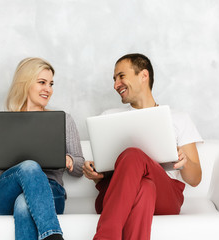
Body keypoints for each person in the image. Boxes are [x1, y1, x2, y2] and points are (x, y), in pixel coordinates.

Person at [83, 53, 203, 240]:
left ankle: (106, 235)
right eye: (114, 79)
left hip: (166, 197)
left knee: (133, 155)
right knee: (145, 188)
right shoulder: (108, 116)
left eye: (121, 76)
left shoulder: (178, 118)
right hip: (115, 195)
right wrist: (94, 174)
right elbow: (102, 179)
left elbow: (195, 179)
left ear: (143, 76)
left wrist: (184, 162)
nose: (116, 85)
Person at [0, 57, 84, 240]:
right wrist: (8, 157)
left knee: (24, 203)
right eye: (42, 82)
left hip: (50, 193)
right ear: (25, 84)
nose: (48, 89)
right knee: (29, 166)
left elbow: (80, 168)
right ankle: (54, 236)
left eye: (51, 84)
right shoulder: (1, 123)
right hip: (4, 194)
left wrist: (69, 160)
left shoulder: (64, 120)